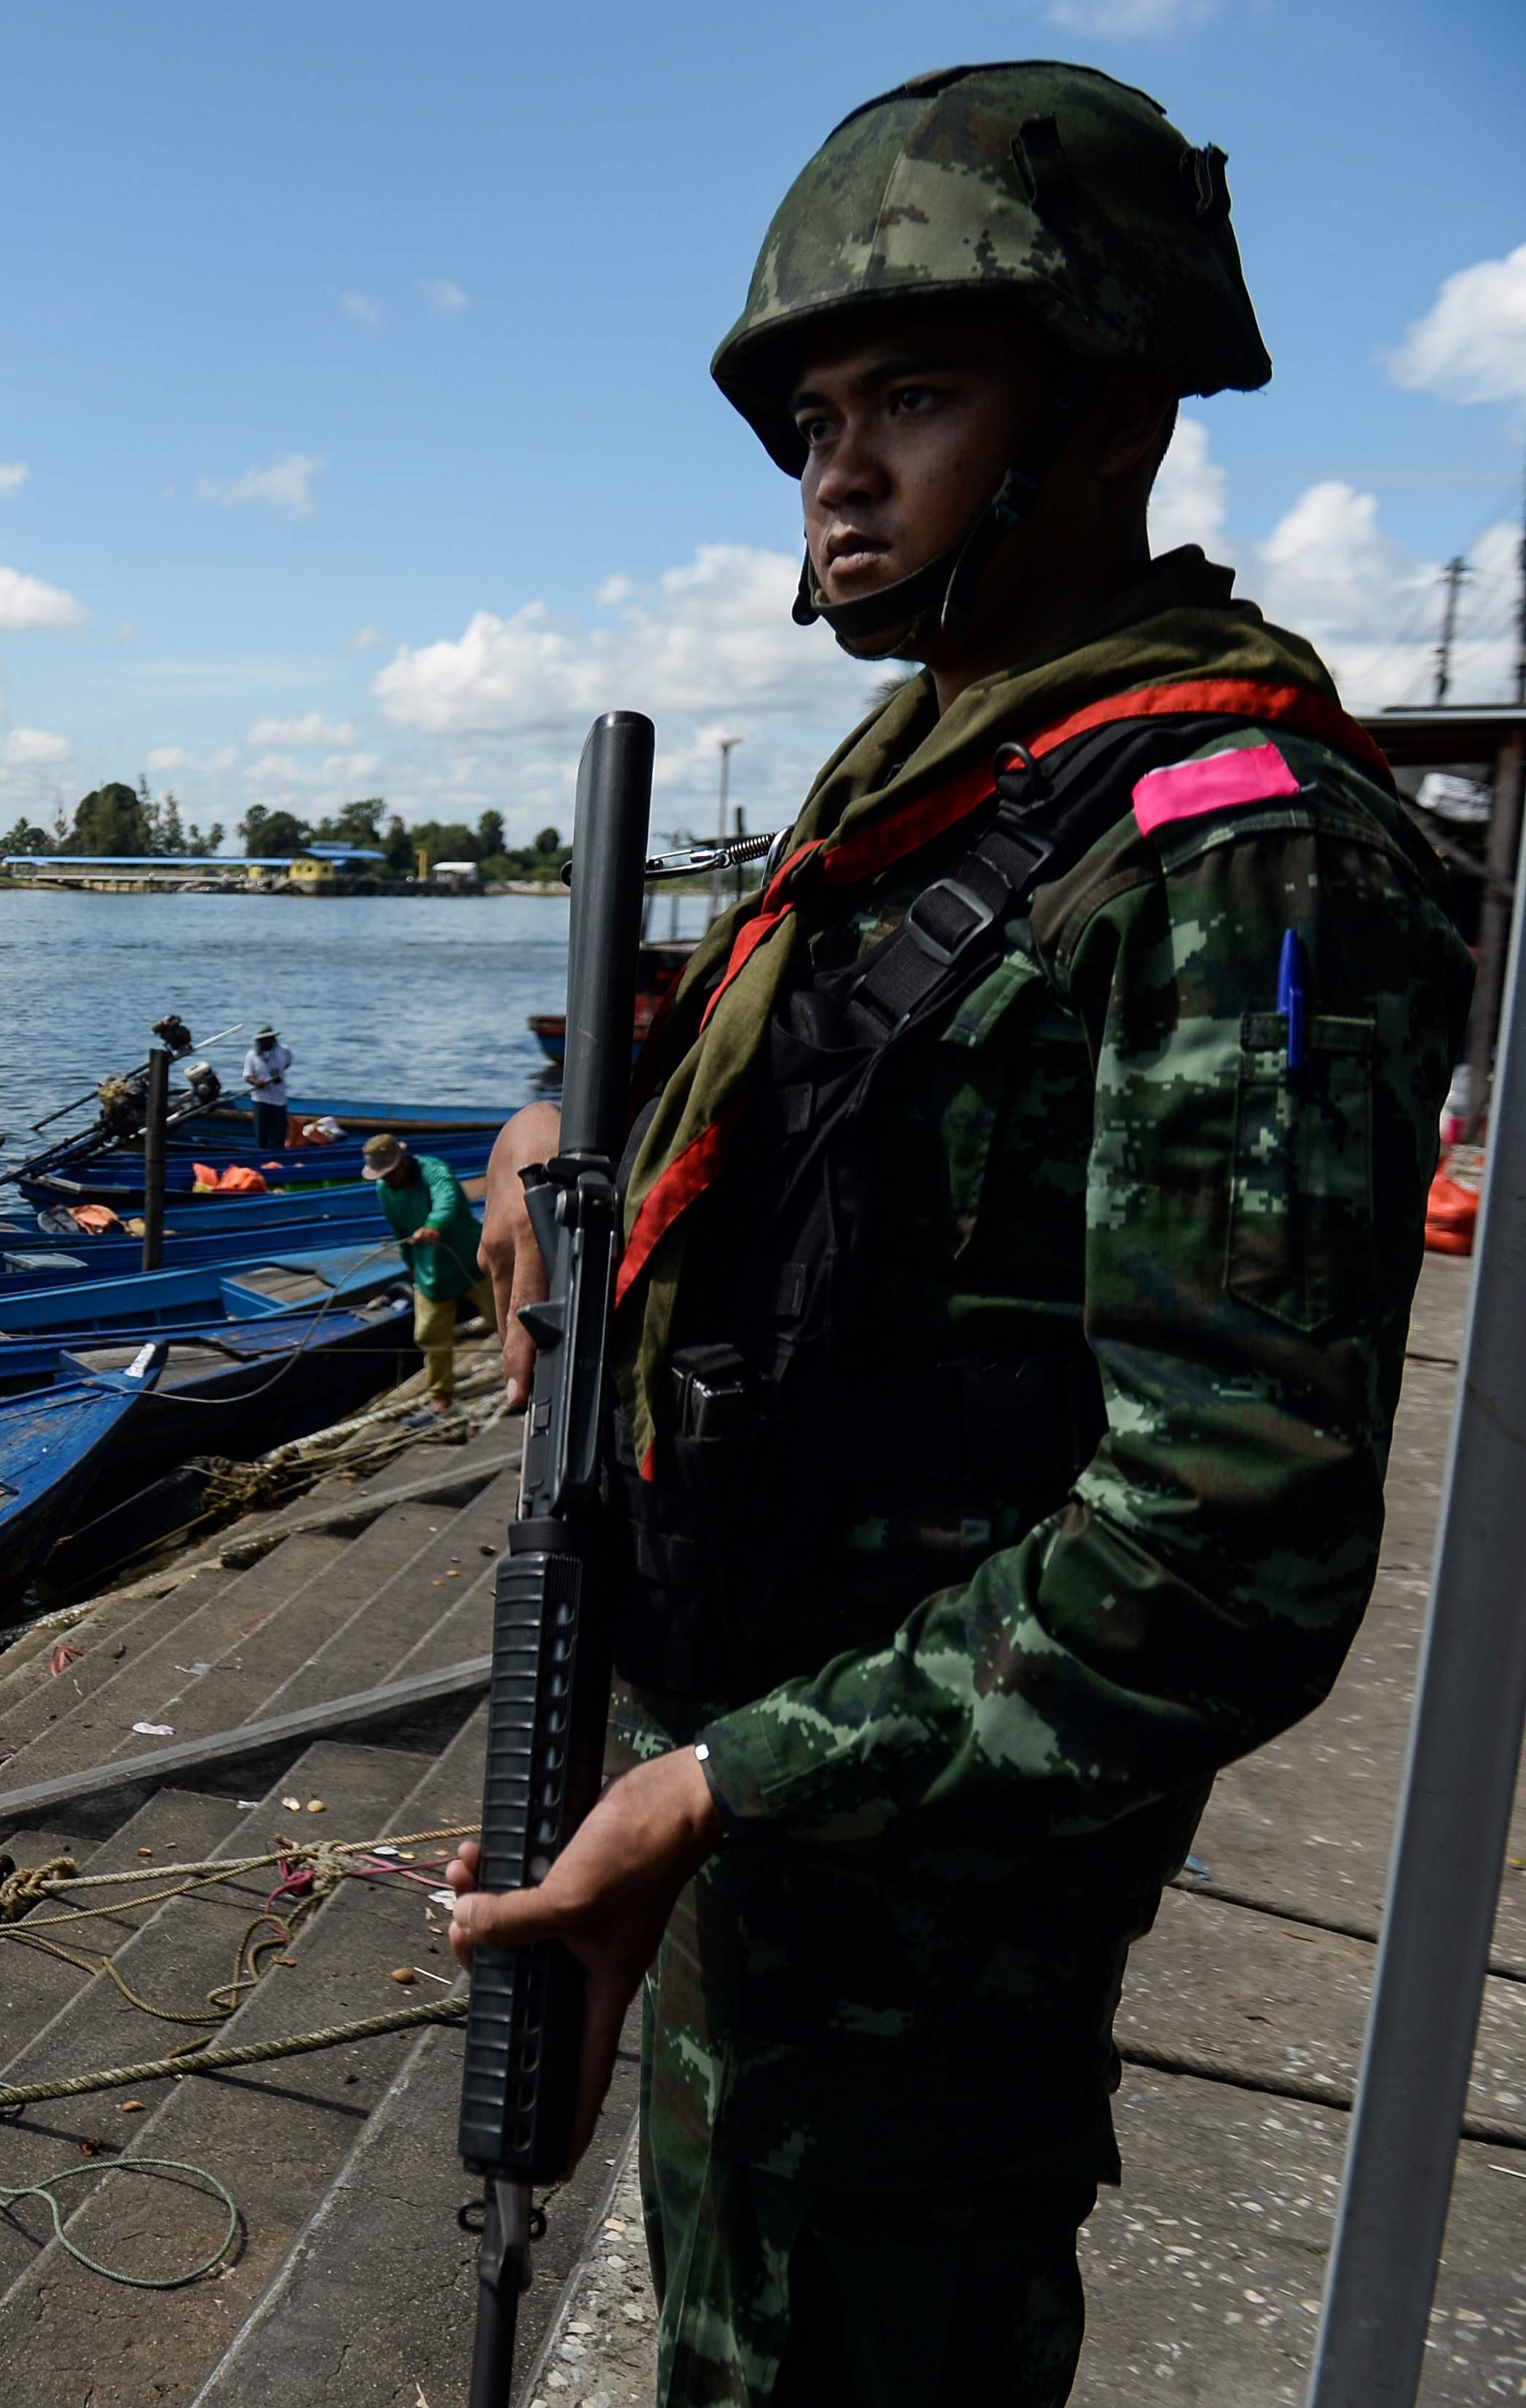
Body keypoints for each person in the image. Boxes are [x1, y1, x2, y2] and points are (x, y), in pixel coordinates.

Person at [441, 63, 1470, 2407]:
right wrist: (546, 1131)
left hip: (912, 1905)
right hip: (767, 1830)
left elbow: (1226, 1545)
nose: (837, 472)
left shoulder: (1239, 856)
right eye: (814, 419)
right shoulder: (954, 773)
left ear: (1111, 414)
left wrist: (715, 1787)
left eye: (912, 397)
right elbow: (807, 1089)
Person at [363, 1132, 488, 1415]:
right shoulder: (384, 1189)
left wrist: (434, 1224)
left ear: (403, 1161)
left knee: (503, 1317)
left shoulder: (434, 1170)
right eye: (382, 1176)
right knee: (429, 1334)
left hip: (471, 1260)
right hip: (431, 1271)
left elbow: (447, 1199)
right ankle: (441, 1395)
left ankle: (528, 1368)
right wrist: (409, 1262)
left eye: (391, 1173)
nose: (388, 1179)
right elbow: (398, 1228)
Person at [242, 1026, 294, 1147]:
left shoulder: (284, 1051)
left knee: (279, 1135)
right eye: (265, 1040)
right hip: (261, 1100)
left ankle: (278, 1155)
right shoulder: (252, 1055)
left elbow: (287, 1064)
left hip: (279, 1099)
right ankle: (262, 1155)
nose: (269, 1042)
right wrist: (256, 1082)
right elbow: (247, 1076)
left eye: (271, 1039)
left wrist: (278, 1075)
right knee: (262, 1134)